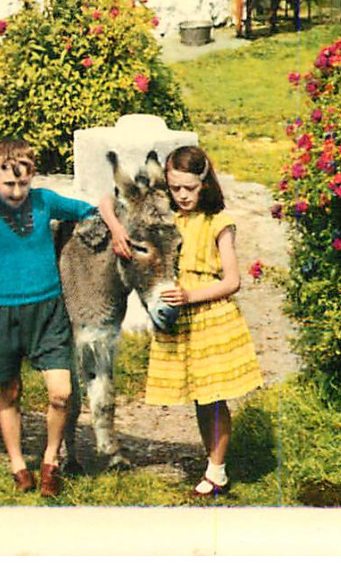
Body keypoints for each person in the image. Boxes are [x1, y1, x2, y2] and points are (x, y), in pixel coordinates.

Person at [0, 139, 125, 497]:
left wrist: (115, 228)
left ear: (33, 174)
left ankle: (50, 460)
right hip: (5, 313)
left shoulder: (45, 201)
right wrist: (8, 283)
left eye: (24, 183)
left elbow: (91, 210)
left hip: (49, 311)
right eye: (8, 184)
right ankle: (19, 464)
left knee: (61, 393)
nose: (17, 191)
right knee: (10, 391)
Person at [120, 144, 262, 497]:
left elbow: (232, 281)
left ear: (205, 184)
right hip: (179, 319)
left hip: (212, 316)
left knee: (214, 396)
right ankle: (213, 464)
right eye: (175, 188)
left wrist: (189, 296)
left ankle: (217, 472)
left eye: (190, 189)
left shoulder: (219, 222)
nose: (182, 196)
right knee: (200, 397)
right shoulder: (170, 221)